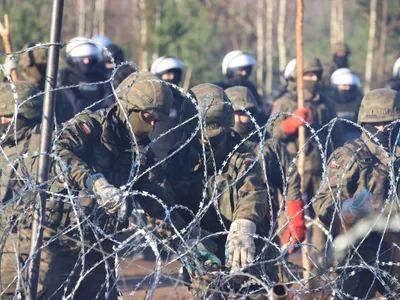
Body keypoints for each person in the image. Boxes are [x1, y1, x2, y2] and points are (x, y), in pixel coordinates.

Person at [164, 83, 279, 299]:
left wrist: (244, 226)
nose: (206, 137)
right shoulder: (177, 158)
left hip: (245, 247)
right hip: (203, 250)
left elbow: (252, 191)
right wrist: (186, 237)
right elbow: (165, 204)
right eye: (201, 130)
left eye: (213, 129)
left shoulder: (239, 154)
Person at [313, 88, 400, 299]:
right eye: (377, 124)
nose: (383, 129)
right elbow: (324, 201)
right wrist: (348, 208)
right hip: (360, 249)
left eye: (389, 123)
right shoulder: (350, 155)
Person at [269, 57, 344, 274]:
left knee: (321, 222)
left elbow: (336, 135)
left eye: (315, 75)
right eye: (307, 75)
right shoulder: (284, 102)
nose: (312, 79)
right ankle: (283, 273)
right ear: (296, 77)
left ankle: (316, 274)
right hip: (293, 171)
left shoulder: (326, 103)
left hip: (320, 171)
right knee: (290, 222)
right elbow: (270, 132)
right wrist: (289, 125)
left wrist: (337, 161)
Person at [225, 85, 305, 253]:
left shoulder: (267, 146)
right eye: (235, 113)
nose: (239, 119)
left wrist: (295, 218)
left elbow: (289, 179)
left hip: (262, 225)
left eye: (244, 114)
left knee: (271, 275)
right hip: (221, 221)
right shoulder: (215, 147)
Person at [0, 81, 48, 299]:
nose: (3, 121)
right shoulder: (7, 143)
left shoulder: (41, 147)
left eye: (9, 117)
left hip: (31, 236)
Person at [58, 36, 113, 114]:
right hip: (71, 123)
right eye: (81, 58)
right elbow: (74, 105)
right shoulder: (65, 76)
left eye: (90, 58)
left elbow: (110, 104)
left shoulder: (102, 77)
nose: (87, 62)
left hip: (100, 122)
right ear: (71, 60)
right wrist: (101, 108)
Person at [149, 56, 189, 159]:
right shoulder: (149, 102)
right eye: (167, 74)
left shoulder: (184, 102)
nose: (172, 78)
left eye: (175, 74)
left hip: (178, 157)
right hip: (153, 157)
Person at [329, 68, 363, 141]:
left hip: (356, 140)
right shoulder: (328, 102)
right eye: (344, 86)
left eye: (349, 86)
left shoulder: (360, 103)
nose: (347, 88)